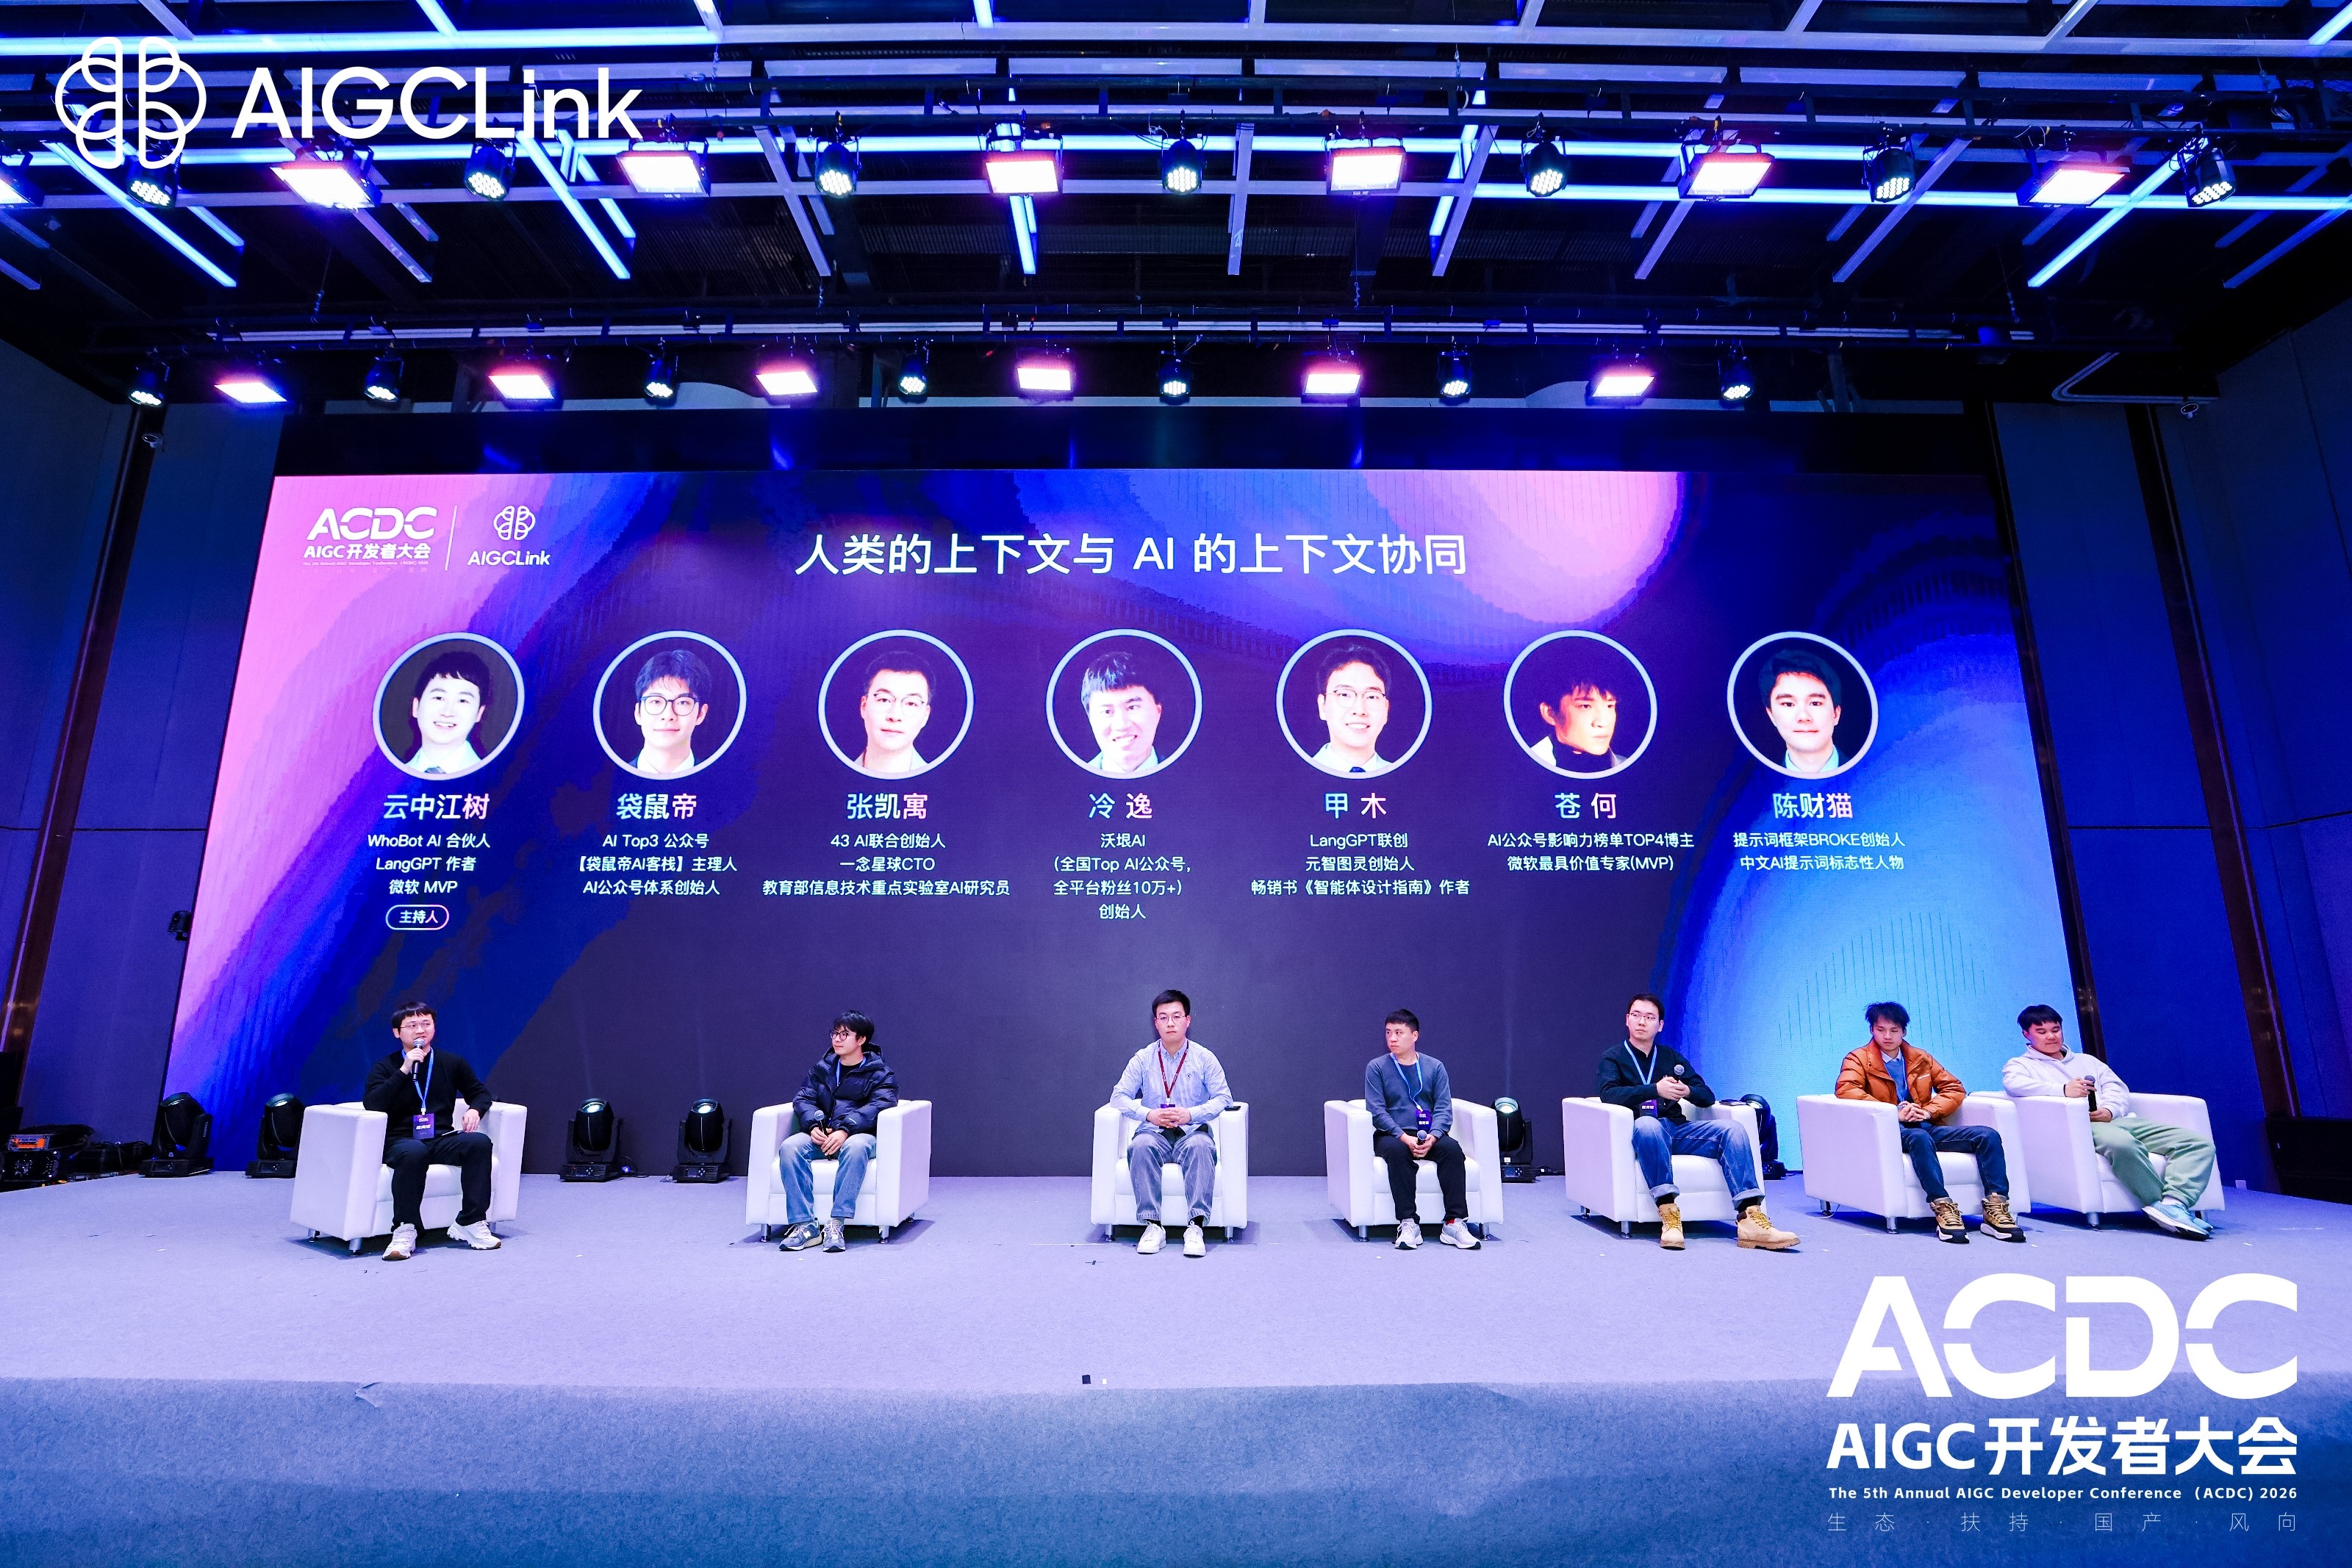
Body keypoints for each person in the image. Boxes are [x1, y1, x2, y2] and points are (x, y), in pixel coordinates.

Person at [1594, 993, 1798, 1250]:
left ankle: (1751, 1218)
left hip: (1678, 1130)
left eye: (1649, 1017)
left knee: (1732, 1129)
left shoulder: (1670, 1057)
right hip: (1641, 1134)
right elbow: (1609, 1094)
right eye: (1636, 1016)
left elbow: (1706, 1096)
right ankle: (1669, 1214)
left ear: (1660, 1025)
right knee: (1648, 1125)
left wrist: (1687, 1091)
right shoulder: (1613, 1057)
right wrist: (1655, 1090)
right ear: (1627, 1020)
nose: (1642, 1022)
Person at [2001, 1004, 2217, 1239]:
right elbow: (2014, 1085)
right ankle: (2157, 1203)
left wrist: (2110, 1110)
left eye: (2056, 1030)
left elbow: (2117, 1088)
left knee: (2197, 1143)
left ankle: (2174, 1203)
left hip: (2116, 1119)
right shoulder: (2020, 1065)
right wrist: (2063, 1090)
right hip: (2079, 1126)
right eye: (2041, 1032)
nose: (2051, 1037)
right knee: (2123, 1144)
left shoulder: (2087, 1061)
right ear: (2027, 1034)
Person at [1834, 1001, 2025, 1243]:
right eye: (1881, 1030)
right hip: (1889, 1130)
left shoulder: (1920, 1058)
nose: (1887, 1036)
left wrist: (1927, 1112)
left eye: (1894, 1030)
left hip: (1926, 1125)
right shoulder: (1859, 1058)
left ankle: (1996, 1209)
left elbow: (1954, 1088)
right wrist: (1893, 1112)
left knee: (1987, 1135)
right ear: (1872, 1030)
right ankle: (1943, 1207)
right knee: (1919, 1137)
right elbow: (1847, 1089)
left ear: (1904, 1031)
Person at [360, 1002, 500, 1260]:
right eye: (412, 1025)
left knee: (479, 1143)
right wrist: (404, 1070)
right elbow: (373, 1104)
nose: (420, 1031)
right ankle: (405, 1228)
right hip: (400, 1141)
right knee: (413, 1151)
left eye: (426, 1024)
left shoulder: (451, 1062)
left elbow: (480, 1093)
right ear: (397, 1032)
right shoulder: (385, 1066)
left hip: (439, 1138)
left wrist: (475, 1110)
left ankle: (470, 1221)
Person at [1110, 988, 1232, 1257]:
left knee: (1201, 1147)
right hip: (1154, 1132)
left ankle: (1196, 1227)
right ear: (1156, 1023)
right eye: (1163, 1017)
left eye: (1177, 1016)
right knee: (1140, 1146)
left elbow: (1224, 1097)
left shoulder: (1204, 1058)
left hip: (1192, 1131)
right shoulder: (1143, 1058)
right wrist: (1148, 1114)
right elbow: (1118, 1097)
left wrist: (1192, 1113)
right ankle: (1153, 1226)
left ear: (1188, 1020)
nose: (1170, 1023)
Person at [776, 1010, 902, 1254]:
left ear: (861, 1039)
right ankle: (805, 1226)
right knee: (790, 1147)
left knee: (856, 1147)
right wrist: (813, 1125)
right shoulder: (822, 1069)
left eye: (845, 1034)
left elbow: (880, 1105)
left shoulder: (880, 1074)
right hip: (825, 1133)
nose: (837, 1039)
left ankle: (836, 1223)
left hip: (860, 1135)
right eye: (835, 1033)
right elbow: (804, 1099)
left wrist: (845, 1129)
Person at [1362, 1008, 1480, 1250]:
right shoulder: (1377, 1067)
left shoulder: (1434, 1067)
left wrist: (1434, 1137)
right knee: (1397, 1152)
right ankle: (1408, 1224)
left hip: (1429, 1135)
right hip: (1392, 1135)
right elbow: (1376, 1111)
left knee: (1452, 1150)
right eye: (1388, 1033)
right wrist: (1403, 1137)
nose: (1392, 1038)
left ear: (1414, 1035)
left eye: (1399, 1033)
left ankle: (1454, 1223)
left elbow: (1444, 1108)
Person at [1528, 649, 1627, 774]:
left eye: (1609, 706)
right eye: (1585, 706)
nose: (1603, 722)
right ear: (1550, 713)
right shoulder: (1522, 770)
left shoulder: (1632, 770)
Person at [1308, 640, 1398, 777]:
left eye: (1372, 696)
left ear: (1386, 709)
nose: (1359, 710)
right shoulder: (1295, 777)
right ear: (1323, 706)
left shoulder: (1403, 779)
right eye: (1344, 694)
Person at [1758, 646, 1848, 777]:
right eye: (1788, 704)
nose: (1804, 716)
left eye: (1815, 703)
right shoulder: (1765, 788)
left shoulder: (1872, 772)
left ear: (1836, 713)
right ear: (1771, 715)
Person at [404, 648, 492, 778]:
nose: (448, 712)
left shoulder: (494, 782)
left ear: (479, 713)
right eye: (439, 698)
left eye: (463, 700)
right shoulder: (385, 780)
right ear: (416, 707)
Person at [630, 647, 714, 778]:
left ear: (701, 714)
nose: (668, 715)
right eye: (656, 701)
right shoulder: (605, 782)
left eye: (682, 702)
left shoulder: (720, 784)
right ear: (638, 713)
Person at [1080, 649, 1166, 778]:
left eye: (1132, 707)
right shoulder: (1070, 786)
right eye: (1107, 711)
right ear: (1091, 719)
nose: (1121, 725)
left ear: (1158, 712)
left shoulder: (1188, 778)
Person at [852, 649, 936, 777]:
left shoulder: (943, 784)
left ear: (926, 715)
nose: (895, 716)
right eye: (884, 700)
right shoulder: (831, 780)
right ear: (864, 706)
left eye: (911, 703)